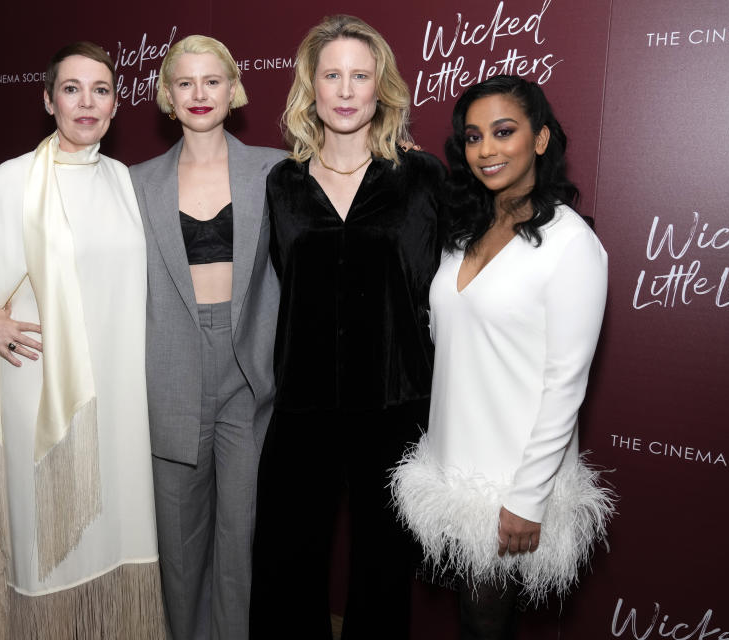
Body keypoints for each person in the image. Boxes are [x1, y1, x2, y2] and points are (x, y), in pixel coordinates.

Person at [0, 42, 165, 639]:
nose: (86, 102)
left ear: (117, 105)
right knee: (42, 550)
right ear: (48, 100)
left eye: (100, 90)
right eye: (72, 89)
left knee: (119, 528)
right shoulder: (15, 181)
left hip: (118, 395)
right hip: (35, 388)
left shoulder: (123, 182)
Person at [391, 75, 616, 639]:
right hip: (454, 460)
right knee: (474, 619)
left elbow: (566, 381)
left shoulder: (572, 245)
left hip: (511, 474)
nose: (486, 149)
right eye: (473, 137)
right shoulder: (467, 229)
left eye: (504, 131)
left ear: (540, 140)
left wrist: (527, 496)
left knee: (487, 625)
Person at [249, 15, 444, 639]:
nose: (345, 89)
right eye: (331, 75)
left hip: (393, 403)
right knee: (285, 565)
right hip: (301, 402)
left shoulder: (423, 178)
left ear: (380, 86)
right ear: (311, 86)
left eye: (360, 75)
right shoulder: (281, 183)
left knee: (383, 572)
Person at [129, 35, 285, 640]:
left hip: (250, 372)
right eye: (186, 83)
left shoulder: (274, 169)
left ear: (233, 89)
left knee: (241, 535)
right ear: (168, 94)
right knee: (179, 536)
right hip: (169, 367)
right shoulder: (135, 182)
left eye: (212, 81)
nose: (200, 94)